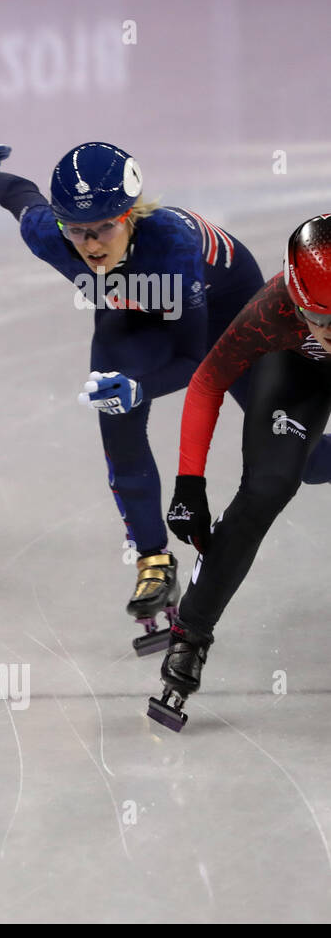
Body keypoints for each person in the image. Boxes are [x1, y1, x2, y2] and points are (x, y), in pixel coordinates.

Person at [0, 142, 331, 647]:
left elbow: (195, 362)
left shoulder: (174, 247)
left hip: (217, 305)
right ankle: (154, 563)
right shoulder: (49, 234)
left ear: (132, 215)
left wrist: (141, 386)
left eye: (104, 228)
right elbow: (21, 198)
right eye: (77, 230)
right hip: (131, 306)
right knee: (113, 408)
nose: (91, 245)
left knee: (306, 460)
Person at [148, 214, 331, 729]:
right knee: (270, 485)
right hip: (299, 368)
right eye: (321, 316)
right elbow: (207, 383)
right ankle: (191, 634)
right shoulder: (272, 312)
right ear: (295, 302)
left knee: (305, 466)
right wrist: (190, 483)